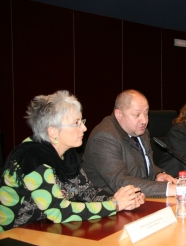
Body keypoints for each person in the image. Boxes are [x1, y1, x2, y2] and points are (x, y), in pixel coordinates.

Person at [0, 91, 144, 232]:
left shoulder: (67, 154)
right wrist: (114, 205)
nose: (84, 128)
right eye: (76, 123)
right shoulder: (32, 158)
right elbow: (59, 211)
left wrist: (125, 199)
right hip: (13, 235)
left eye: (82, 121)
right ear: (53, 131)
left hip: (46, 230)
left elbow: (88, 192)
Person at [82, 90, 177, 197]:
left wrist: (158, 174)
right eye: (137, 115)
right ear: (119, 114)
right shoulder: (104, 137)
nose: (144, 121)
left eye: (146, 113)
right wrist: (169, 189)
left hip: (140, 200)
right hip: (110, 206)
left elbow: (142, 164)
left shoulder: (141, 131)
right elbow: (121, 182)